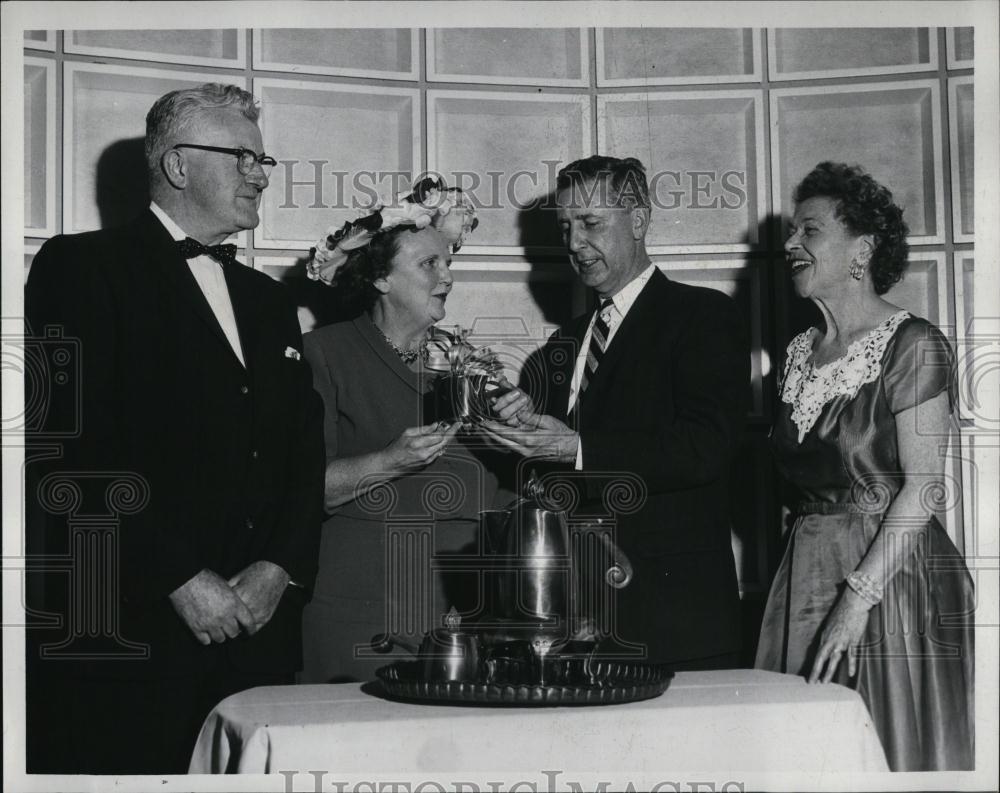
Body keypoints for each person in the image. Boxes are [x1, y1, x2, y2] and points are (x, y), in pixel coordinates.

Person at [24, 83, 324, 774]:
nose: (261, 172)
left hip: (259, 640)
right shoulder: (82, 268)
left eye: (263, 158)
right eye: (242, 155)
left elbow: (304, 455)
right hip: (136, 640)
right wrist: (181, 577)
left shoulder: (270, 302)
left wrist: (280, 569)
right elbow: (70, 449)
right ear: (180, 166)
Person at [483, 155, 749, 670]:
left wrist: (573, 447)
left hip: (675, 625)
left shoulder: (704, 317)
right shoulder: (559, 347)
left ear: (640, 220)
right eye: (565, 227)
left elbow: (704, 448)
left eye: (591, 223)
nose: (574, 243)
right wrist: (520, 430)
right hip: (576, 624)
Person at [755, 162, 974, 771]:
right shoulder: (798, 355)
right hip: (803, 574)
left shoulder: (915, 343)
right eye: (792, 233)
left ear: (863, 248)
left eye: (810, 230)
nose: (791, 245)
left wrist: (857, 599)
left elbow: (924, 488)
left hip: (889, 579)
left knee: (881, 749)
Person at [300, 180, 502, 683]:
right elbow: (296, 490)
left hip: (462, 623)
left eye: (448, 263)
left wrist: (520, 432)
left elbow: (504, 493)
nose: (447, 277)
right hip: (361, 620)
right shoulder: (325, 353)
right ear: (381, 279)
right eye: (429, 264)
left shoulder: (469, 364)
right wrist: (387, 461)